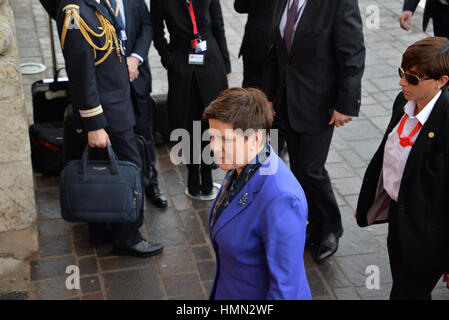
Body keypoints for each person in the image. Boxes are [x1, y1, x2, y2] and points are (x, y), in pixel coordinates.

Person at [52, 0, 163, 257]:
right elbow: (81, 73)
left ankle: (102, 230)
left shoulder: (93, 4)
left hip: (115, 104)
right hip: (106, 112)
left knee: (102, 169)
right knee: (128, 168)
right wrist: (94, 123)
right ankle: (128, 238)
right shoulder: (75, 12)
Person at [263, 0, 365, 263]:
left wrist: (346, 104)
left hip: (320, 104)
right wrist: (269, 95)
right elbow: (277, 49)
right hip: (288, 99)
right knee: (298, 168)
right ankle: (312, 224)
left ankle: (331, 227)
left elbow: (352, 54)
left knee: (311, 169)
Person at [356, 37, 449, 300]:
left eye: (413, 79)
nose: (402, 83)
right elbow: (385, 157)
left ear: (441, 81)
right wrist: (369, 201)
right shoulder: (402, 102)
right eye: (402, 73)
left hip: (429, 235)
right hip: (400, 219)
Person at [203, 87, 311, 300]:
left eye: (225, 139)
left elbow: (286, 290)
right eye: (212, 137)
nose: (214, 148)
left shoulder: (282, 200)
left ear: (255, 139)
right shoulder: (241, 165)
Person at [151, 0, 231, 199]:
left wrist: (226, 65)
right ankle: (193, 176)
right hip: (182, 65)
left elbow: (218, 26)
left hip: (211, 63)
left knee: (210, 122)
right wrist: (168, 59)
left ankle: (207, 173)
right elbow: (157, 32)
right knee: (187, 122)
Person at [119, 0, 167, 208]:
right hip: (109, 87)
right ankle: (123, 189)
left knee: (145, 134)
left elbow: (147, 25)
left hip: (137, 79)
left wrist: (135, 58)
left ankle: (151, 183)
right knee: (119, 138)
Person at [233, 0, 287, 156]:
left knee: (252, 96)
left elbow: (240, 6)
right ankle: (276, 146)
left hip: (256, 43)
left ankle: (251, 142)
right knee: (276, 97)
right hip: (276, 45)